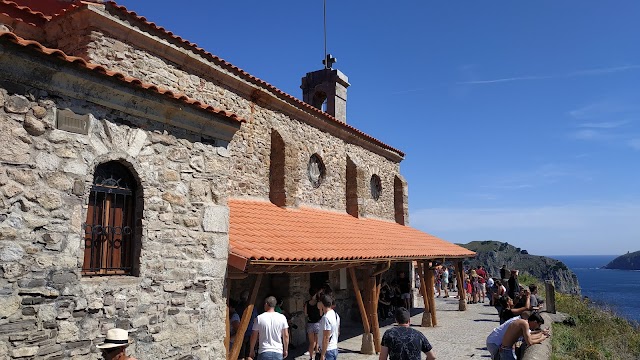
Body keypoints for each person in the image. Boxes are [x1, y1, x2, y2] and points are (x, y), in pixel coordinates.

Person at [248, 296, 289, 360]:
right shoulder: (282, 318)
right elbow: (286, 335)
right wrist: (285, 349)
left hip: (264, 351)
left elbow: (254, 336)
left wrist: (251, 350)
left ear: (266, 304)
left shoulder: (259, 318)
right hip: (277, 351)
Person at [317, 294, 340, 360]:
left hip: (328, 350)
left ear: (322, 303)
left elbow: (326, 337)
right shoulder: (336, 315)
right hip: (334, 347)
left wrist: (323, 354)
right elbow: (338, 332)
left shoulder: (326, 318)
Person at [304, 288, 322, 360]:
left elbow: (305, 314)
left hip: (310, 323)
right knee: (317, 342)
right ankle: (316, 356)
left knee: (311, 342)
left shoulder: (307, 303)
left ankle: (311, 357)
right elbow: (321, 314)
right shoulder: (318, 303)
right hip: (317, 323)